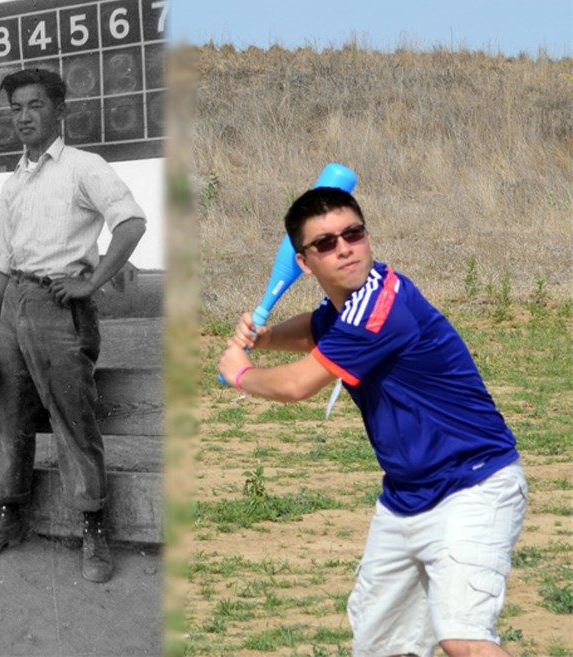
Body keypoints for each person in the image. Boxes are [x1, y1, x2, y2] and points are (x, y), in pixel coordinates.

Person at [218, 187, 527, 657]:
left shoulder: (381, 307)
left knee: (463, 638)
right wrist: (265, 337)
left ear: (367, 236)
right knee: (383, 647)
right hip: (406, 498)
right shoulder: (351, 305)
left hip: (474, 484)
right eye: (325, 243)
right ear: (304, 262)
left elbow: (298, 385)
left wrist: (241, 373)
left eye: (353, 234)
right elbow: (319, 327)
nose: (344, 248)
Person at [0, 68, 146, 583]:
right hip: (13, 305)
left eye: (35, 106)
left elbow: (131, 223)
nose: (24, 116)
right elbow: (1, 258)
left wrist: (91, 284)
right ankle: (5, 519)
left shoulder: (84, 167)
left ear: (59, 111)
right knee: (7, 417)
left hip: (60, 305)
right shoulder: (13, 181)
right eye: (16, 108)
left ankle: (93, 532)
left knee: (73, 419)